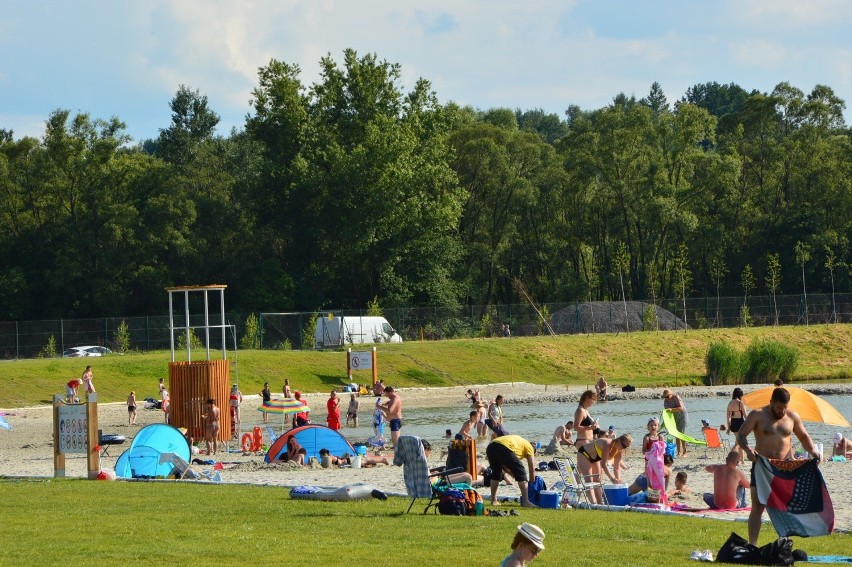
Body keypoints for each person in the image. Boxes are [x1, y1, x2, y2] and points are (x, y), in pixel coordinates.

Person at [736, 387, 821, 545]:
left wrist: (813, 451)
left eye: (785, 407)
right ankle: (752, 544)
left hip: (783, 468)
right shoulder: (758, 415)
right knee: (758, 507)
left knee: (784, 506)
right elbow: (741, 434)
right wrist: (748, 450)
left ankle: (784, 543)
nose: (782, 411)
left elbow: (803, 436)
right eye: (779, 407)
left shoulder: (792, 416)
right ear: (771, 402)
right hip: (761, 467)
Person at [575, 434, 632, 504]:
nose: (624, 448)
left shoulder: (619, 451)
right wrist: (612, 478)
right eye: (623, 445)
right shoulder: (607, 444)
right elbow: (604, 465)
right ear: (619, 440)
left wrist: (617, 479)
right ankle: (593, 503)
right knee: (589, 480)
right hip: (584, 454)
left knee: (597, 481)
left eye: (626, 447)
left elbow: (617, 468)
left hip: (595, 458)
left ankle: (600, 504)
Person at [485, 434, 537, 508]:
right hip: (504, 447)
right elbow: (532, 469)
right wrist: (532, 482)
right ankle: (526, 502)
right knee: (521, 471)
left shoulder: (520, 444)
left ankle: (494, 500)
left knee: (496, 473)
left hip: (491, 446)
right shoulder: (530, 448)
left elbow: (502, 464)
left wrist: (512, 474)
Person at [663, 389, 689, 457]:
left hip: (682, 416)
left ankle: (685, 452)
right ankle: (679, 452)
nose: (666, 398)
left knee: (682, 434)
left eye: (667, 396)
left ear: (671, 394)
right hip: (674, 418)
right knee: (676, 434)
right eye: (665, 397)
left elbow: (681, 408)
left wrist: (672, 409)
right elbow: (666, 411)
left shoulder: (676, 397)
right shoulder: (665, 401)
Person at [726, 387, 748, 462]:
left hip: (733, 423)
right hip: (740, 423)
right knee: (739, 443)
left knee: (739, 442)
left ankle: (742, 460)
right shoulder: (740, 402)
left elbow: (727, 417)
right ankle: (729, 457)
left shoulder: (730, 403)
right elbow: (745, 415)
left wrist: (729, 428)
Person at [318, 448, 389, 468]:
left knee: (366, 461)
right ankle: (381, 460)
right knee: (366, 462)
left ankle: (382, 460)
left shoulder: (329, 457)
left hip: (349, 461)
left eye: (321, 455)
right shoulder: (330, 456)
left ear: (323, 454)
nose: (320, 457)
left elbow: (328, 465)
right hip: (348, 461)